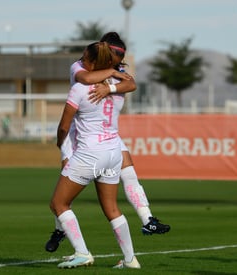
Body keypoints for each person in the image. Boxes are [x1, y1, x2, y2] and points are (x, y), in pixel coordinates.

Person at [45, 32, 170, 254]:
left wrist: (111, 85)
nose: (117, 62)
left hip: (105, 133)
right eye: (114, 58)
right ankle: (59, 229)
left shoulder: (115, 72)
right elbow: (85, 79)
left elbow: (131, 85)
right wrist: (113, 75)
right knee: (65, 182)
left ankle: (147, 219)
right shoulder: (79, 66)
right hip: (79, 131)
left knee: (128, 169)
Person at [50, 41, 140, 269]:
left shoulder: (79, 88)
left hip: (90, 153)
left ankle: (82, 252)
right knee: (112, 209)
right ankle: (130, 259)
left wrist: (60, 142)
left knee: (59, 204)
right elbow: (131, 84)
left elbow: (63, 126)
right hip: (113, 152)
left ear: (90, 62)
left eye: (84, 58)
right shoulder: (118, 86)